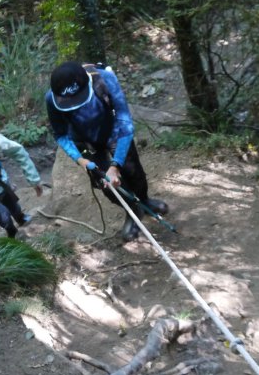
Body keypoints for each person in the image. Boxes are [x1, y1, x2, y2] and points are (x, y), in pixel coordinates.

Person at [45, 61, 168, 241]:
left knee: (134, 173)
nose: (75, 106)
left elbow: (125, 123)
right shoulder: (52, 99)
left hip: (114, 132)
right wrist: (80, 159)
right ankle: (133, 211)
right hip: (86, 142)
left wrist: (116, 165)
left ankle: (144, 200)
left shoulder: (104, 79)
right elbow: (61, 134)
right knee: (108, 186)